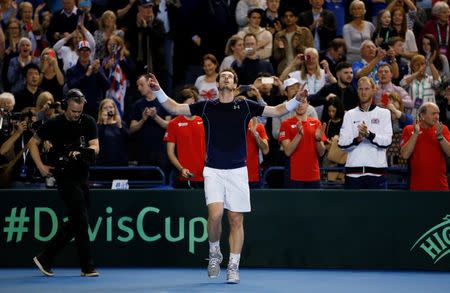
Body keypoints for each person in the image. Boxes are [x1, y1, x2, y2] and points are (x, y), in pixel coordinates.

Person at [147, 68, 308, 284]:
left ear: (234, 85)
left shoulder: (245, 106)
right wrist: (158, 91)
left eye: (230, 76)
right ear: (218, 84)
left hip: (238, 171)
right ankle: (214, 253)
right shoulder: (207, 106)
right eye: (223, 75)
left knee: (235, 219)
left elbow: (277, 110)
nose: (225, 77)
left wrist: (296, 101)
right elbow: (174, 107)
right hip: (213, 170)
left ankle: (233, 266)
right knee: (214, 215)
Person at [30, 88, 99, 277]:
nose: (77, 115)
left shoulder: (89, 121)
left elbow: (95, 147)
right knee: (81, 220)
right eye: (73, 111)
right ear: (66, 106)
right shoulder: (54, 123)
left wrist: (83, 152)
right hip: (65, 177)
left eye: (79, 111)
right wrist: (41, 166)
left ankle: (45, 257)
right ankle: (88, 267)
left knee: (77, 221)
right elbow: (32, 143)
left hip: (83, 175)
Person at [338, 77, 393, 189]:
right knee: (353, 207)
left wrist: (369, 135)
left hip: (377, 174)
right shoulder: (349, 114)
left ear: (374, 90)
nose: (363, 92)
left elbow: (387, 141)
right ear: (357, 91)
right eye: (360, 89)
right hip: (353, 174)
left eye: (367, 89)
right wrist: (357, 139)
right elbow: (342, 143)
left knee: (378, 207)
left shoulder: (384, 113)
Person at [279, 96, 327, 188]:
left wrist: (318, 140)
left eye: (303, 102)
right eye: (297, 102)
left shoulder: (316, 123)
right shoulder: (286, 124)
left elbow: (321, 153)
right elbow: (288, 152)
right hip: (294, 176)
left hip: (313, 175)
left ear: (308, 103)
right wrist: (299, 135)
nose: (300, 105)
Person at [401, 102, 450, 190]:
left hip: (440, 187)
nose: (437, 117)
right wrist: (415, 134)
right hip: (417, 187)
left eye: (438, 113)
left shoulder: (443, 129)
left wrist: (440, 136)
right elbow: (405, 155)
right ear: (422, 115)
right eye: (433, 114)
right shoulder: (409, 129)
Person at [163, 88, 205, 189]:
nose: (192, 107)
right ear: (181, 105)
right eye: (188, 105)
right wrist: (181, 169)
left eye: (194, 104)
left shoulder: (204, 121)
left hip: (205, 176)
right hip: (183, 177)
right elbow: (170, 152)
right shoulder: (173, 124)